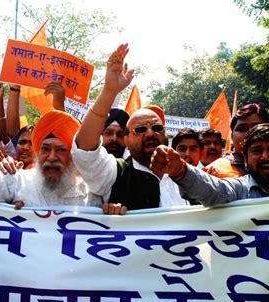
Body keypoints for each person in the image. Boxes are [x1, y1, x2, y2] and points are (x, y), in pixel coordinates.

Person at [71, 44, 189, 210]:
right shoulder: (114, 173)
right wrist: (109, 91)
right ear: (126, 139)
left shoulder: (185, 175)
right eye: (140, 130)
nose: (150, 133)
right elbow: (84, 150)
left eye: (156, 128)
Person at [0, 91, 102, 207]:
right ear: (37, 152)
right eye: (45, 149)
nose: (51, 157)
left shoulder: (92, 196)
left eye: (61, 150)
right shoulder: (18, 181)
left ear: (73, 155)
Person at [151, 124, 269, 206]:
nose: (265, 157)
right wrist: (180, 171)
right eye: (257, 151)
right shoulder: (237, 192)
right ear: (245, 160)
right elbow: (213, 190)